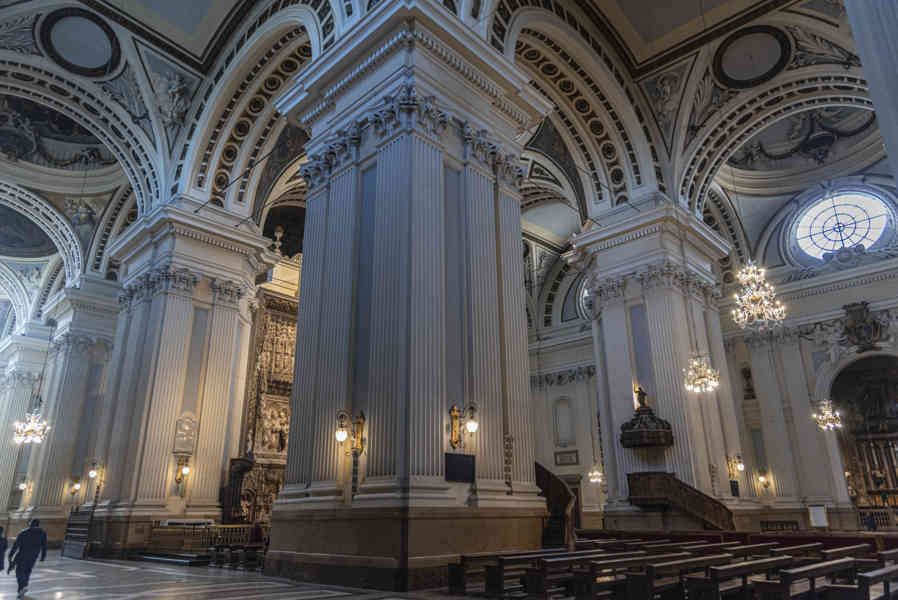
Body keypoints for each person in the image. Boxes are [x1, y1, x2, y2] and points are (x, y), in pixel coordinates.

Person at [8, 519, 46, 598]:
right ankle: (23, 587)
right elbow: (44, 546)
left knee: (19, 572)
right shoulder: (42, 533)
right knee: (27, 571)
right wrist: (43, 556)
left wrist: (11, 555)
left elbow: (16, 545)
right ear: (38, 525)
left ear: (30, 524)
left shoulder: (23, 532)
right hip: (33, 556)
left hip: (22, 555)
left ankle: (22, 587)